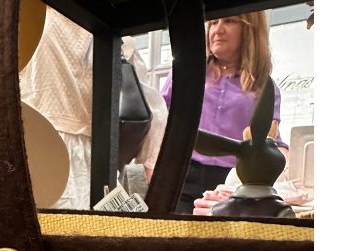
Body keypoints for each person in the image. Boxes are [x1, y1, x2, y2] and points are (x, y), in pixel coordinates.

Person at [19, 7, 168, 210]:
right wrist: (150, 168)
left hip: (34, 149)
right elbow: (153, 107)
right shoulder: (117, 36)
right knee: (92, 226)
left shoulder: (29, 20)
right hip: (96, 159)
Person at [161, 12, 288, 214]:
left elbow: (271, 140)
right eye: (213, 23)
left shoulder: (263, 87)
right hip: (182, 175)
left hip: (232, 185)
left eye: (229, 21)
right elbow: (159, 120)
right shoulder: (186, 73)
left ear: (249, 30)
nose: (217, 30)